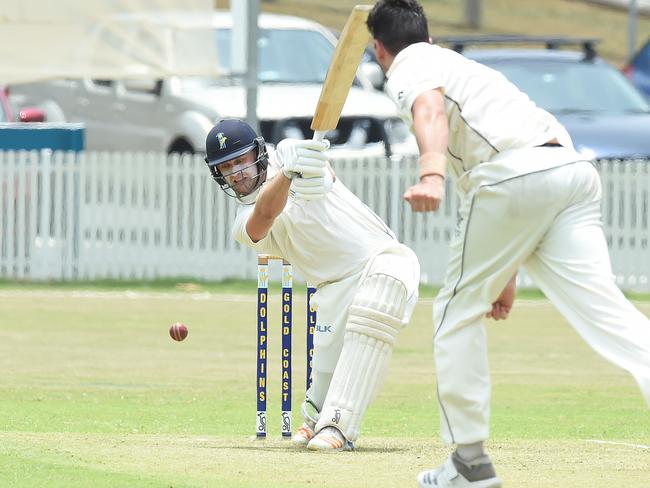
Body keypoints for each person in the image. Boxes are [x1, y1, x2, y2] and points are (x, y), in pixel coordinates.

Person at [367, 1, 650, 487]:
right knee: (612, 316)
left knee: (453, 312)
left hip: (515, 178)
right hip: (570, 170)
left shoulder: (410, 63)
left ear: (378, 48)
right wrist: (506, 273)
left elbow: (430, 110)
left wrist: (429, 175)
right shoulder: (462, 66)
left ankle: (469, 465)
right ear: (429, 35)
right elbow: (492, 170)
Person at [204, 118, 420, 451]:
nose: (237, 173)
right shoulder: (242, 222)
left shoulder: (290, 155)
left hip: (383, 257)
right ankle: (315, 418)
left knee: (381, 294)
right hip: (332, 289)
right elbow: (265, 215)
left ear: (258, 153)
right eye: (227, 167)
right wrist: (288, 176)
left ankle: (338, 426)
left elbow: (326, 174)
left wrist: (314, 166)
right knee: (326, 371)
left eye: (241, 160)